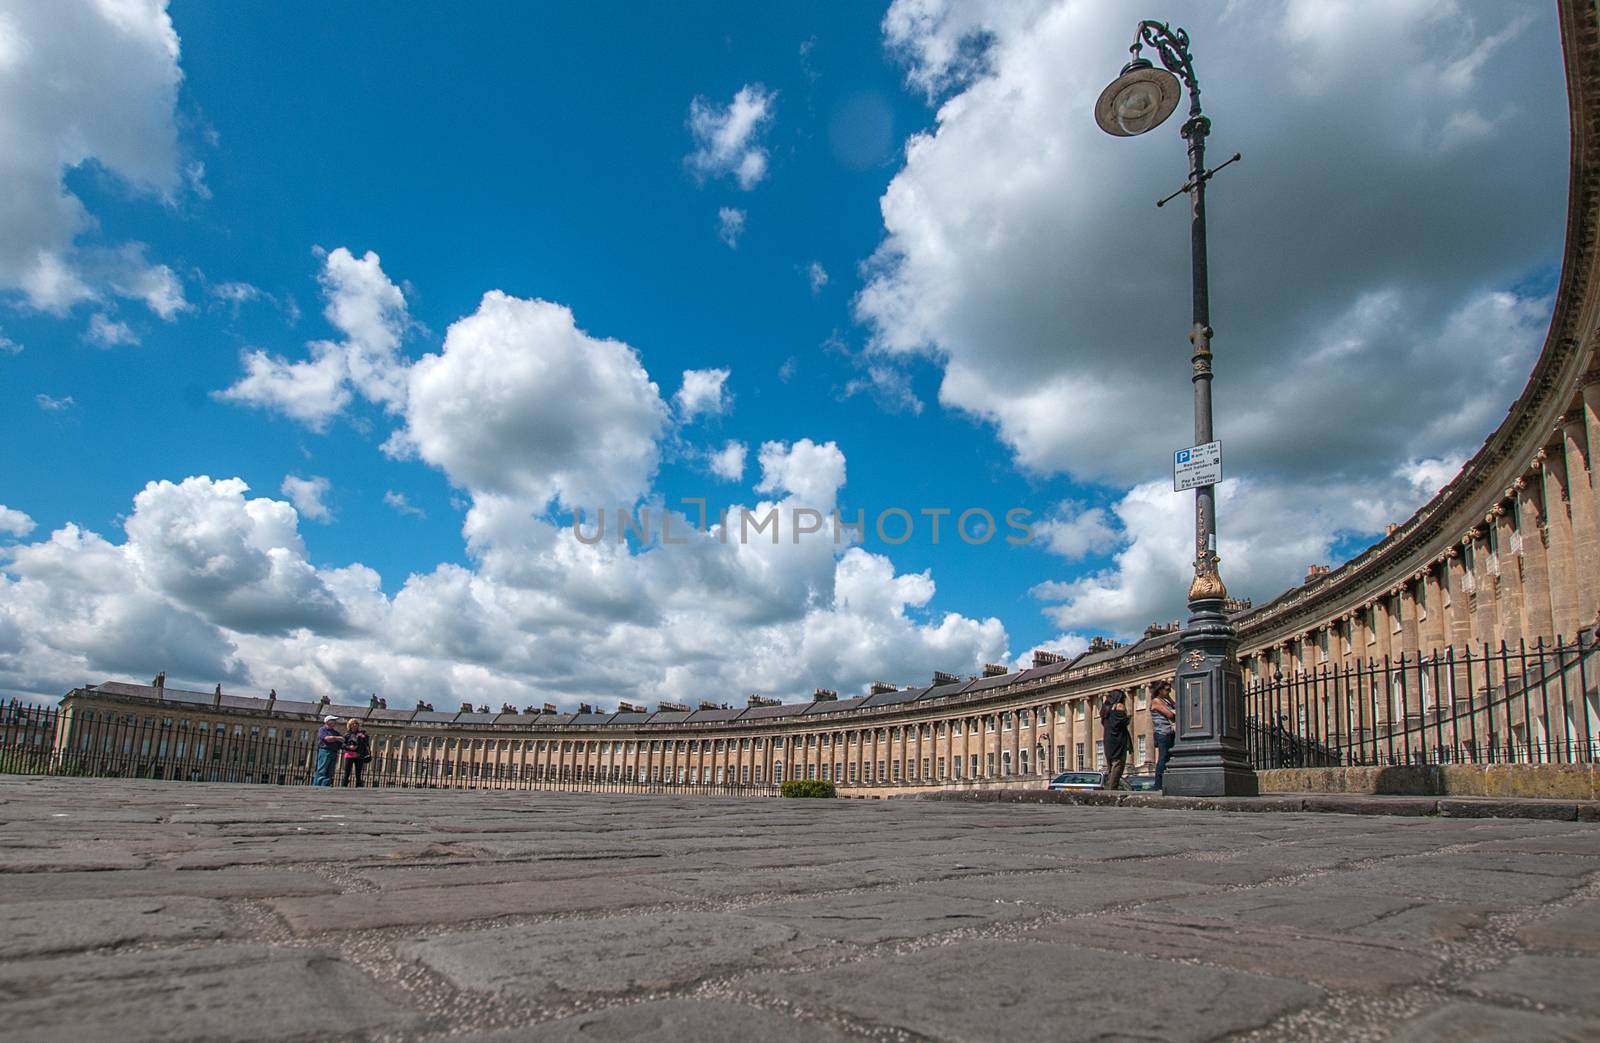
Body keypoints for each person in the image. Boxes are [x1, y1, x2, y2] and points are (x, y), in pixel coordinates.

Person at [1101, 688, 1131, 790]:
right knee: (1118, 765)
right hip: (1118, 739)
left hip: (1108, 739)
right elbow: (1125, 720)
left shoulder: (1105, 709)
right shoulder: (1120, 706)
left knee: (1111, 766)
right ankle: (1111, 790)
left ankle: (1110, 788)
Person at [1151, 679, 1177, 790]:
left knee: (1168, 757)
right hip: (1163, 733)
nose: (1169, 692)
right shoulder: (1156, 701)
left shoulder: (1164, 700)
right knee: (1163, 757)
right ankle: (1158, 784)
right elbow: (1170, 715)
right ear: (1160, 690)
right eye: (1167, 690)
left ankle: (1165, 783)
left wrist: (1169, 698)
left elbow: (1177, 707)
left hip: (1169, 732)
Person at [340, 718, 371, 788]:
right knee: (347, 773)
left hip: (359, 755)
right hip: (349, 755)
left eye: (356, 723)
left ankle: (358, 787)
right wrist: (349, 747)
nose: (355, 725)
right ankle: (343, 786)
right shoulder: (347, 735)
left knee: (358, 773)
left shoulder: (362, 733)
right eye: (353, 724)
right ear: (350, 725)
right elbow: (342, 745)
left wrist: (363, 737)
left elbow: (366, 743)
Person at [313, 714, 342, 786]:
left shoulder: (335, 732)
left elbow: (341, 743)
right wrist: (337, 738)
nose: (335, 722)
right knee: (322, 769)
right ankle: (317, 786)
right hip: (325, 751)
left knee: (330, 771)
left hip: (334, 752)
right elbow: (327, 739)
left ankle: (325, 785)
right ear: (328, 721)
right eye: (333, 720)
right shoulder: (322, 729)